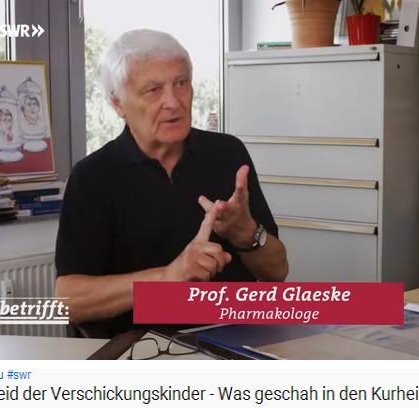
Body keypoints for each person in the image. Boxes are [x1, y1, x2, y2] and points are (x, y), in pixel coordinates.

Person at [54, 29, 289, 338]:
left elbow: (277, 272)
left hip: (236, 339)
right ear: (118, 103)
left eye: (181, 83)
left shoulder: (228, 154)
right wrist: (168, 277)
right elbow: (68, 302)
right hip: (144, 350)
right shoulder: (92, 177)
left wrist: (246, 233)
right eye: (153, 90)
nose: (173, 102)